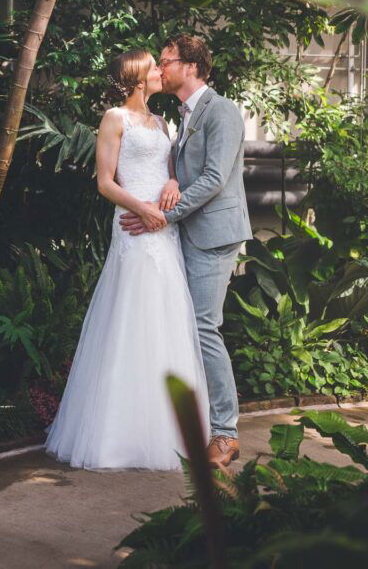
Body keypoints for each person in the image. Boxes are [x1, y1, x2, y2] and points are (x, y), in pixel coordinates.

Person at [44, 48, 210, 470]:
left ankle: (167, 430)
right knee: (129, 321)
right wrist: (142, 209)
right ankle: (117, 436)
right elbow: (104, 182)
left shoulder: (162, 122)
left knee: (166, 321)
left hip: (163, 229)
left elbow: (171, 167)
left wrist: (172, 183)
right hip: (135, 229)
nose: (161, 71)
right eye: (155, 66)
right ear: (138, 77)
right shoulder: (114, 118)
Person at [119, 34, 252, 471]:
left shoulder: (223, 111)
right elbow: (180, 169)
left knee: (202, 327)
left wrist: (162, 217)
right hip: (186, 235)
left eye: (167, 60)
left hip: (213, 235)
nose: (161, 67)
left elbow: (215, 177)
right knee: (186, 326)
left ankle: (226, 434)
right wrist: (172, 180)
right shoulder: (180, 115)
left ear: (191, 66)